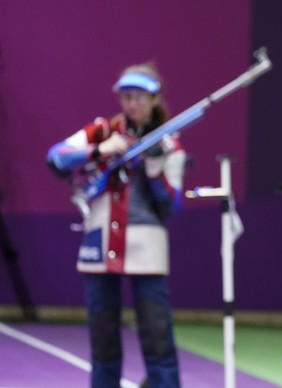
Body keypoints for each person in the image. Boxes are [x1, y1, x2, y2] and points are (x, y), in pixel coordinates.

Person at [47, 63, 186, 388]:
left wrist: (153, 167)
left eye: (139, 96)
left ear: (155, 97)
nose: (131, 103)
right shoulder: (102, 130)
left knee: (158, 340)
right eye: (125, 96)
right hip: (99, 243)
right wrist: (99, 150)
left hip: (147, 250)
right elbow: (56, 157)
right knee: (103, 342)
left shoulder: (168, 143)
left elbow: (171, 204)